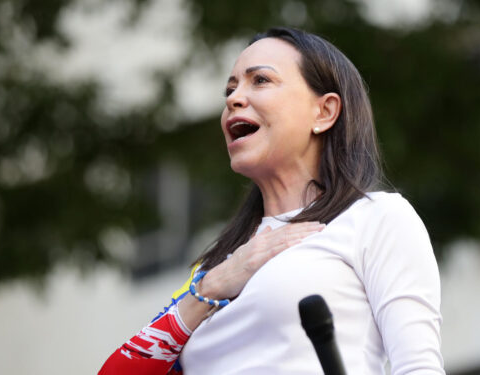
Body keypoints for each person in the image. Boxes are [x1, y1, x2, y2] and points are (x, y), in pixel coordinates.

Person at [99, 27, 444, 375]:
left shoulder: (374, 218)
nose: (234, 99)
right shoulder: (212, 272)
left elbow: (419, 368)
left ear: (324, 112)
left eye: (260, 80)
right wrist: (213, 285)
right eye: (230, 90)